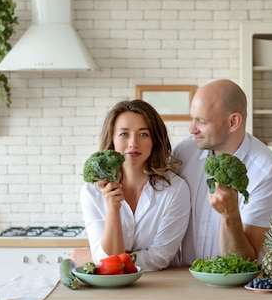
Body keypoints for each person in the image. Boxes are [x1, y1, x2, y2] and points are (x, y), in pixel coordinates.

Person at [173, 79, 272, 266]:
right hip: (187, 281)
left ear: (233, 121)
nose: (192, 128)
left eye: (201, 121)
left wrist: (230, 215)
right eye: (192, 119)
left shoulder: (267, 174)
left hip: (241, 288)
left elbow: (246, 261)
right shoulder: (184, 153)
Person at [77, 99, 191, 272]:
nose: (133, 143)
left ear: (155, 140)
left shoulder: (175, 189)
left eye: (143, 134)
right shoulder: (91, 192)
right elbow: (105, 260)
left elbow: (159, 257)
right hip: (112, 289)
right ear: (113, 139)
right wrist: (113, 209)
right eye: (124, 134)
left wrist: (101, 258)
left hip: (164, 286)